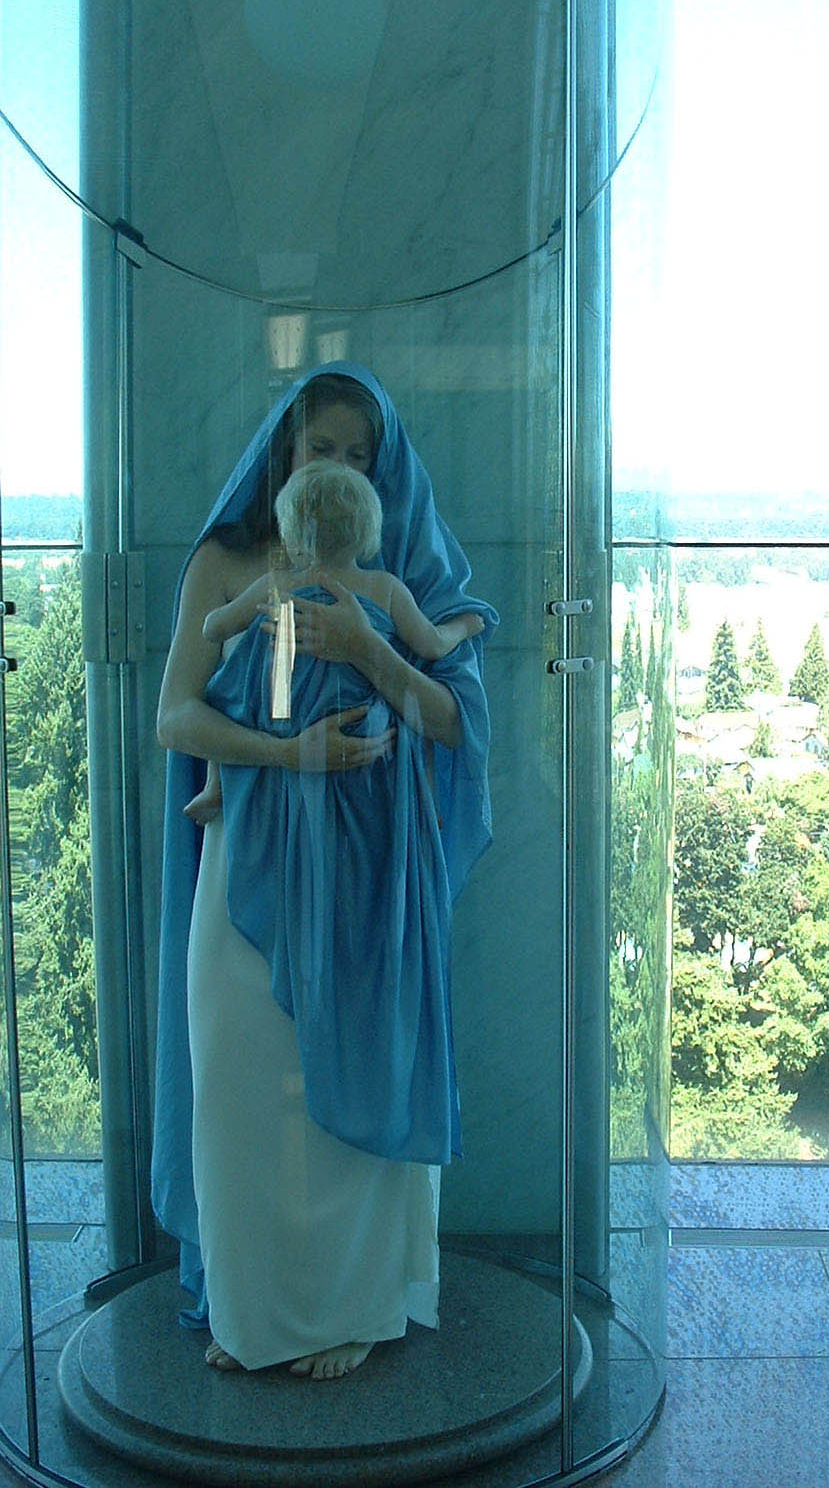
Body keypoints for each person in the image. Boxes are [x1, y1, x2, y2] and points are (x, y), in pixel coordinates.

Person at [153, 365, 496, 1379]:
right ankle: (252, 1309)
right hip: (249, 852)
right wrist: (290, 755)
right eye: (320, 449)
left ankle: (355, 1309)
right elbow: (177, 715)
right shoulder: (228, 562)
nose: (339, 469)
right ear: (284, 456)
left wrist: (368, 648)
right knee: (241, 1084)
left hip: (368, 870)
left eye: (360, 454)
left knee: (358, 1074)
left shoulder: (410, 571)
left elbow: (451, 718)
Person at [184, 459, 485, 824]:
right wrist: (466, 626)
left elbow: (214, 629)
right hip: (362, 723)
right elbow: (432, 644)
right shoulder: (386, 588)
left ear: (293, 538)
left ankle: (215, 783)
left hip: (283, 719)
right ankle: (429, 799)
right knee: (410, 716)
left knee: (222, 691)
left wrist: (223, 614)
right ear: (366, 535)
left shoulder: (278, 583)